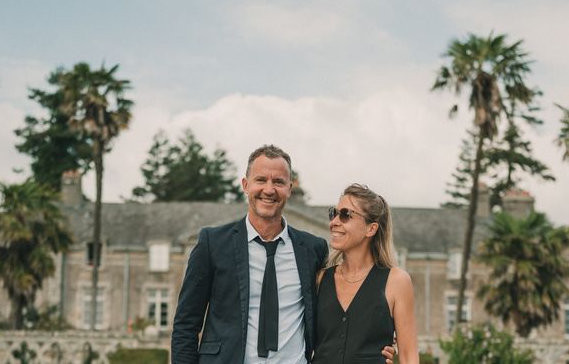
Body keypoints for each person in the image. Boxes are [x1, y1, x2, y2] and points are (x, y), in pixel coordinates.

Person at [171, 145, 396, 364]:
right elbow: (185, 325)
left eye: (278, 182)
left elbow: (337, 311)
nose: (269, 190)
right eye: (261, 180)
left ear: (289, 188)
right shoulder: (213, 243)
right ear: (245, 185)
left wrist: (373, 346)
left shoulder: (313, 249)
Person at [312, 184, 419, 364]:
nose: (334, 222)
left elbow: (409, 356)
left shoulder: (396, 282)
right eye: (334, 213)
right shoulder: (320, 279)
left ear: (371, 229)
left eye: (345, 215)